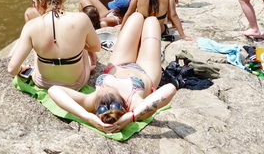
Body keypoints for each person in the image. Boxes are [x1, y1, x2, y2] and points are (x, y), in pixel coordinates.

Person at [48, 12, 177, 133]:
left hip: (119, 64)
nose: (104, 88)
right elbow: (170, 89)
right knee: (152, 21)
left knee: (136, 16)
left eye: (101, 90)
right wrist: (131, 117)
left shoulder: (91, 101)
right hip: (146, 71)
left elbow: (54, 90)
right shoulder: (135, 104)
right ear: (122, 104)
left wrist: (86, 116)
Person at [8, 0, 101, 90]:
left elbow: (12, 69)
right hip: (76, 83)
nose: (34, 5)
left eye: (34, 1)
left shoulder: (30, 26)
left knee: (36, 47)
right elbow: (96, 47)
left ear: (40, 1)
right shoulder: (82, 18)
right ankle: (86, 67)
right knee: (82, 43)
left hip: (43, 83)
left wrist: (22, 69)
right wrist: (79, 44)